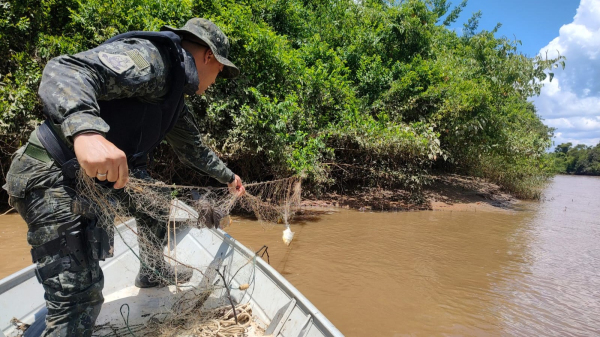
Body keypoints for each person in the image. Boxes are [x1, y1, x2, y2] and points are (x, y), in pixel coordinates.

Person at [2, 18, 244, 336]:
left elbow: (194, 150)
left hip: (91, 181)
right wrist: (86, 131)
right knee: (79, 299)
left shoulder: (174, 98)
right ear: (208, 56)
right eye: (220, 72)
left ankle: (152, 272)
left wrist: (228, 177)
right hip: (50, 175)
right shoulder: (154, 60)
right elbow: (66, 70)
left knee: (154, 199)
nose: (216, 81)